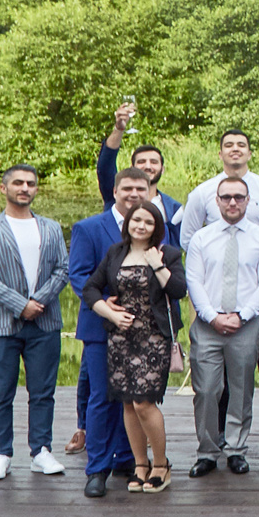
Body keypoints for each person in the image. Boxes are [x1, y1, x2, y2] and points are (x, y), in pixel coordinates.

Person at [0, 164, 67, 482]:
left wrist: (37, 302)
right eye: (18, 183)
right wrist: (20, 305)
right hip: (1, 325)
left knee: (43, 392)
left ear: (37, 189)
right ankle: (1, 454)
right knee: (0, 393)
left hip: (45, 321)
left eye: (31, 183)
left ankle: (41, 451)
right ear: (4, 188)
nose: (25, 188)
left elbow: (62, 270)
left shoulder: (51, 228)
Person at [83, 200, 187, 493]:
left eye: (148, 222)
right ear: (127, 223)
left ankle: (161, 464)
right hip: (121, 338)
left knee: (144, 402)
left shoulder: (169, 253)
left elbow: (179, 290)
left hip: (154, 338)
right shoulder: (116, 252)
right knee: (128, 402)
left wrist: (158, 265)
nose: (141, 226)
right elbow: (90, 288)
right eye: (136, 220)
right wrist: (110, 312)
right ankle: (140, 465)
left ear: (157, 228)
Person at [185, 173, 259, 479]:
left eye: (239, 197)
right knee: (207, 389)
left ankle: (236, 449)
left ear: (248, 201)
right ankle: (208, 451)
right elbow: (194, 280)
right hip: (208, 323)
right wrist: (211, 315)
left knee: (241, 389)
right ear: (217, 201)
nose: (233, 202)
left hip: (246, 323)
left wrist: (244, 314)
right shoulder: (202, 238)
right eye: (226, 197)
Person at [66, 168, 153, 493]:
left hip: (144, 331)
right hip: (101, 325)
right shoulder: (89, 228)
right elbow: (79, 275)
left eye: (140, 188)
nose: (134, 193)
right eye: (127, 188)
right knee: (103, 397)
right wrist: (107, 304)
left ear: (148, 191)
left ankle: (128, 459)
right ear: (114, 191)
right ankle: (97, 469)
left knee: (135, 398)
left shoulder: (154, 228)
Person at [99, 102, 182, 240]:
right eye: (141, 162)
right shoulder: (116, 195)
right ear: (132, 167)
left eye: (154, 162)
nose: (148, 166)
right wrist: (119, 129)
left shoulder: (174, 209)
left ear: (162, 170)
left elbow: (175, 249)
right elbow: (105, 166)